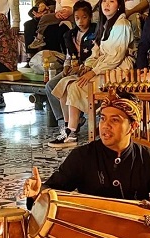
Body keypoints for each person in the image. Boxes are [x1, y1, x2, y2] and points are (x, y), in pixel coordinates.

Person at [23, 90, 150, 238]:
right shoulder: (82, 156)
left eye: (114, 120)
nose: (105, 126)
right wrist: (36, 193)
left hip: (138, 233)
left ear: (133, 126)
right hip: (98, 236)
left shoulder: (149, 158)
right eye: (103, 119)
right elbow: (54, 191)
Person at [47, 0, 134, 148]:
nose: (106, 5)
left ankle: (72, 133)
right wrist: (86, 66)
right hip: (102, 67)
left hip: (117, 71)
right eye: (104, 1)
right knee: (65, 84)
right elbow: (96, 53)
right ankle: (68, 127)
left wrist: (93, 71)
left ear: (118, 5)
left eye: (111, 1)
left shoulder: (122, 24)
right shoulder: (106, 24)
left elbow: (116, 57)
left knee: (76, 86)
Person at [45, 0, 96, 129]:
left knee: (68, 86)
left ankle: (74, 120)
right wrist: (66, 66)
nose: (80, 21)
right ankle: (64, 120)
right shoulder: (70, 34)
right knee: (50, 85)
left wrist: (83, 67)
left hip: (88, 68)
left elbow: (96, 55)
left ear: (90, 17)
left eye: (84, 17)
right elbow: (69, 55)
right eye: (77, 18)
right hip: (72, 68)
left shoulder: (96, 32)